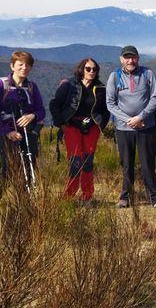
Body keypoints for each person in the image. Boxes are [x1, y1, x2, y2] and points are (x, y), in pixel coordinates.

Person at [106, 45, 156, 209]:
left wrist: (140, 117)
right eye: (127, 57)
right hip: (124, 129)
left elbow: (155, 98)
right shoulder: (114, 76)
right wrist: (129, 120)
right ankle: (126, 197)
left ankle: (155, 198)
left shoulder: (148, 74)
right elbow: (110, 104)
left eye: (133, 57)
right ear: (121, 59)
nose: (130, 60)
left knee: (148, 164)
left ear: (138, 58)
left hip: (147, 127)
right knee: (126, 164)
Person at [49, 58, 110, 205]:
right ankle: (69, 196)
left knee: (88, 161)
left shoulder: (100, 89)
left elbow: (106, 110)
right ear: (81, 69)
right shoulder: (69, 85)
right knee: (76, 161)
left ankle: (87, 197)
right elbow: (54, 104)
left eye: (94, 69)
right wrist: (61, 123)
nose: (91, 72)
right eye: (88, 69)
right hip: (71, 125)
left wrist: (100, 124)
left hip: (92, 127)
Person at [0, 51, 45, 200]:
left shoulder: (32, 87)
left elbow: (41, 110)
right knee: (9, 169)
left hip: (28, 134)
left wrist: (33, 116)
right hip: (8, 135)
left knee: (29, 168)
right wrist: (7, 132)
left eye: (27, 65)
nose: (24, 68)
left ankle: (24, 205)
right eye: (20, 65)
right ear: (12, 66)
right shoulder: (1, 85)